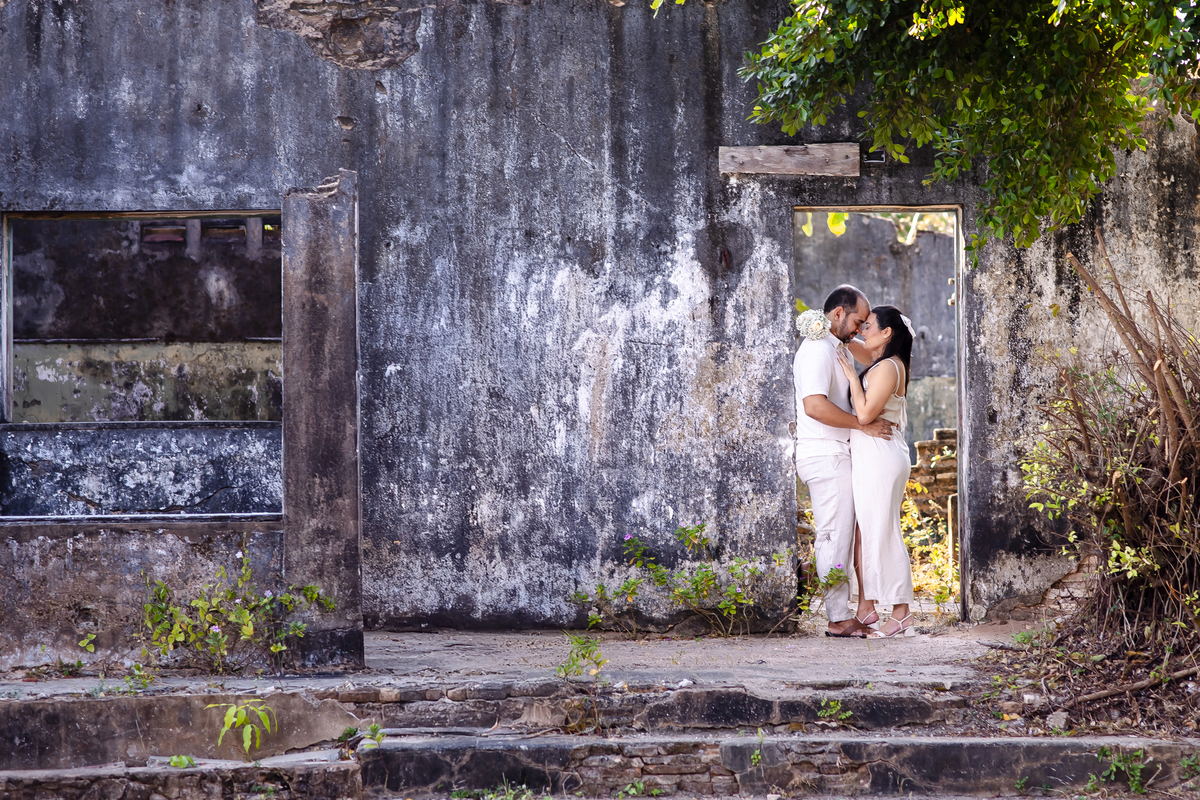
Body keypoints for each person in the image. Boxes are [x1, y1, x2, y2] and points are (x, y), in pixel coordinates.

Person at [794, 286, 895, 638]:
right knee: (833, 537)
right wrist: (862, 425)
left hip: (836, 454)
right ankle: (837, 618)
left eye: (865, 322)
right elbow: (814, 406)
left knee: (843, 537)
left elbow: (870, 356)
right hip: (825, 454)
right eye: (857, 320)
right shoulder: (817, 350)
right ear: (838, 313)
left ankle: (845, 611)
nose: (859, 328)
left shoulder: (834, 345)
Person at [837, 305, 917, 638]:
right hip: (873, 454)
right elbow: (843, 343)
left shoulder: (887, 368)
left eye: (868, 325)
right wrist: (829, 330)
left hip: (881, 455)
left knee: (882, 531)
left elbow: (867, 414)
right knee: (869, 531)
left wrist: (853, 379)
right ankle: (870, 606)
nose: (861, 330)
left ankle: (901, 613)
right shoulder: (882, 361)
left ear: (887, 333)